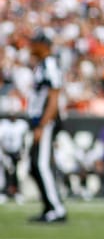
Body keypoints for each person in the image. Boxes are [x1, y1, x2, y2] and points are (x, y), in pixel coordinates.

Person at [23, 30, 67, 223]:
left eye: (35, 43)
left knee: (41, 165)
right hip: (39, 122)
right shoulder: (41, 65)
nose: (32, 46)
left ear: (44, 45)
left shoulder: (49, 64)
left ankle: (56, 208)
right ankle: (50, 206)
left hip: (45, 122)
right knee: (34, 165)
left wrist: (43, 124)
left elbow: (54, 97)